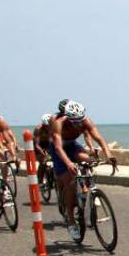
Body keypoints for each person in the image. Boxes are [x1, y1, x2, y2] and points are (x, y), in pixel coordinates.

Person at [49, 100, 116, 240]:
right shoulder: (57, 122)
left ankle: (89, 189)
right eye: (75, 122)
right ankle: (71, 220)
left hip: (72, 145)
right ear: (67, 117)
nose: (79, 124)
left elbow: (98, 138)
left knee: (88, 161)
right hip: (58, 148)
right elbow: (58, 147)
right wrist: (68, 162)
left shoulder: (86, 121)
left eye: (80, 121)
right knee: (70, 180)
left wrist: (108, 154)